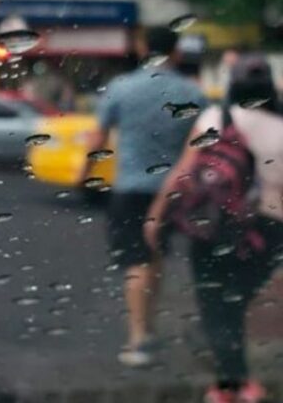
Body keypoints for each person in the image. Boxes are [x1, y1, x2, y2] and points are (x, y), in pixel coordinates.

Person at [144, 55, 282, 403]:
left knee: (213, 304)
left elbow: (184, 172)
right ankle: (238, 383)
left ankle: (231, 386)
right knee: (234, 302)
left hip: (214, 225)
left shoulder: (214, 118)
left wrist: (156, 216)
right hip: (270, 230)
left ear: (233, 85)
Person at [79, 26, 207, 367]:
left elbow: (98, 139)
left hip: (131, 188)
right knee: (156, 257)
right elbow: (202, 146)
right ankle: (148, 328)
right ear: (177, 52)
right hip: (175, 191)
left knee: (137, 261)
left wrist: (84, 177)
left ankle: (138, 339)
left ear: (141, 49)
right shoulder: (191, 92)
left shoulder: (121, 88)